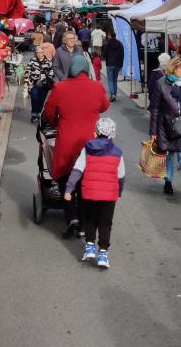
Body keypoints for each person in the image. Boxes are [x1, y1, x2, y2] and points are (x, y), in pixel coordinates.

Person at [44, 55, 110, 237]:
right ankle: (83, 222)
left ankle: (71, 217)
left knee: (66, 178)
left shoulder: (60, 87)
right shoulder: (96, 87)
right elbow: (104, 106)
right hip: (90, 140)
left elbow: (49, 112)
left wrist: (56, 122)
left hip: (67, 140)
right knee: (85, 180)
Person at [65, 117, 125, 269]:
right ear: (113, 136)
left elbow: (77, 170)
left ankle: (90, 246)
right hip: (108, 196)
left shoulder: (87, 150)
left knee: (89, 219)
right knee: (105, 223)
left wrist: (69, 189)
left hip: (89, 193)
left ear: (94, 133)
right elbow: (121, 176)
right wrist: (119, 192)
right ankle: (103, 254)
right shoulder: (118, 153)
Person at [149, 55, 181, 200]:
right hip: (166, 126)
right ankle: (168, 181)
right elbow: (154, 109)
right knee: (170, 155)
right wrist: (153, 132)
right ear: (173, 68)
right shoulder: (161, 84)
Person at [23, 45, 55, 123]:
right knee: (34, 98)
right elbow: (28, 71)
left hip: (44, 84)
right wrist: (26, 82)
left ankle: (38, 113)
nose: (39, 54)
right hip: (34, 84)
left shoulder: (48, 61)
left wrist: (49, 78)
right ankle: (34, 114)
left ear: (43, 53)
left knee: (41, 100)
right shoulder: (32, 60)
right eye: (38, 53)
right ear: (36, 53)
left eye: (41, 52)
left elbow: (52, 71)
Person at [103, 31, 124, 102]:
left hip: (110, 63)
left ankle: (112, 95)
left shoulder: (107, 44)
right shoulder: (120, 44)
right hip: (118, 64)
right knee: (115, 79)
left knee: (110, 80)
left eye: (108, 35)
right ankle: (114, 94)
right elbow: (122, 55)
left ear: (110, 36)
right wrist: (121, 64)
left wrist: (106, 58)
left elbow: (104, 54)